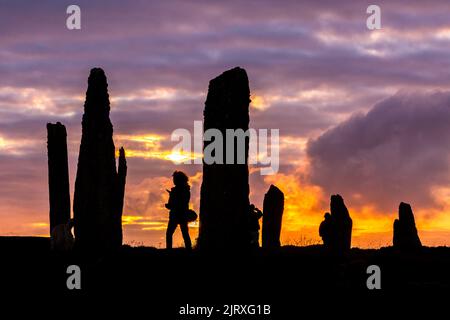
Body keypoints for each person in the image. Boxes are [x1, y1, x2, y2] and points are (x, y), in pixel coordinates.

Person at [165, 171, 192, 250]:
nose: (173, 180)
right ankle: (189, 249)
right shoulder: (186, 190)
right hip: (182, 214)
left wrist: (171, 201)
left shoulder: (178, 191)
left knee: (169, 233)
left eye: (174, 178)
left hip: (176, 214)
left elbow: (177, 203)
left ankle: (169, 250)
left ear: (178, 180)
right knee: (185, 233)